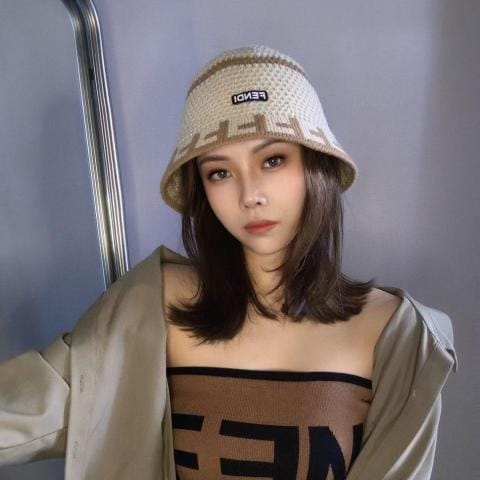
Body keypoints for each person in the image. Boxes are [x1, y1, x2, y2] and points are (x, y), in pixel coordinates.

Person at [0, 45, 458, 479]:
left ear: (315, 166)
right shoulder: (153, 304)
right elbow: (25, 412)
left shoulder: (396, 334)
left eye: (273, 160)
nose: (249, 194)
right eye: (220, 172)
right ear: (202, 189)